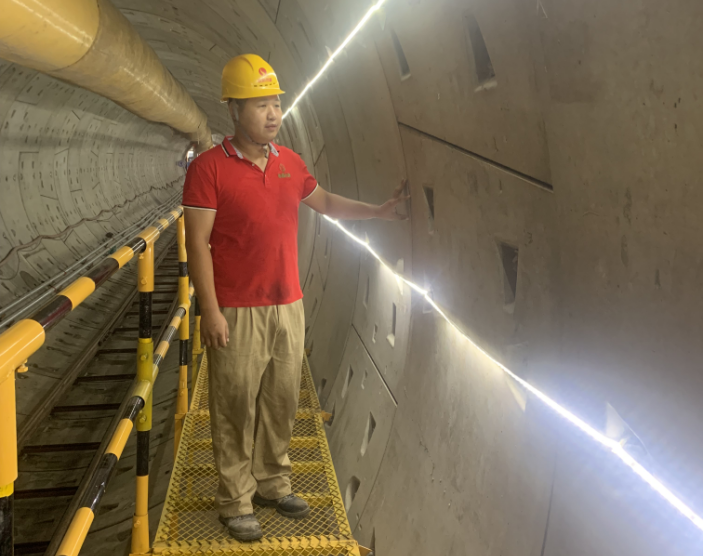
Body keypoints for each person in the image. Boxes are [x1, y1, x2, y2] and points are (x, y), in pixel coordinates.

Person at [182, 53, 408, 542]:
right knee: (235, 406)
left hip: (288, 304)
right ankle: (235, 501)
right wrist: (210, 310)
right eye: (260, 104)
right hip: (237, 309)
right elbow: (196, 243)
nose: (273, 114)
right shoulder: (208, 169)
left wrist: (379, 212)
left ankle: (272, 483)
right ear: (234, 109)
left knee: (281, 400)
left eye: (276, 104)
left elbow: (324, 202)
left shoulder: (290, 162)